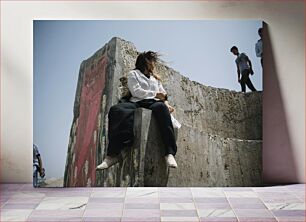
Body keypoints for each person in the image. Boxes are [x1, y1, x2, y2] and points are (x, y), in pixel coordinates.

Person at [96, 51, 178, 170]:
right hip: (136, 102)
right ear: (146, 62)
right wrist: (155, 94)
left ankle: (169, 153)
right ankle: (112, 156)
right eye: (152, 61)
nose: (154, 63)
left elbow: (163, 95)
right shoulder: (133, 74)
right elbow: (136, 92)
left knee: (161, 108)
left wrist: (166, 103)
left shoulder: (156, 79)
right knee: (116, 110)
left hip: (153, 103)